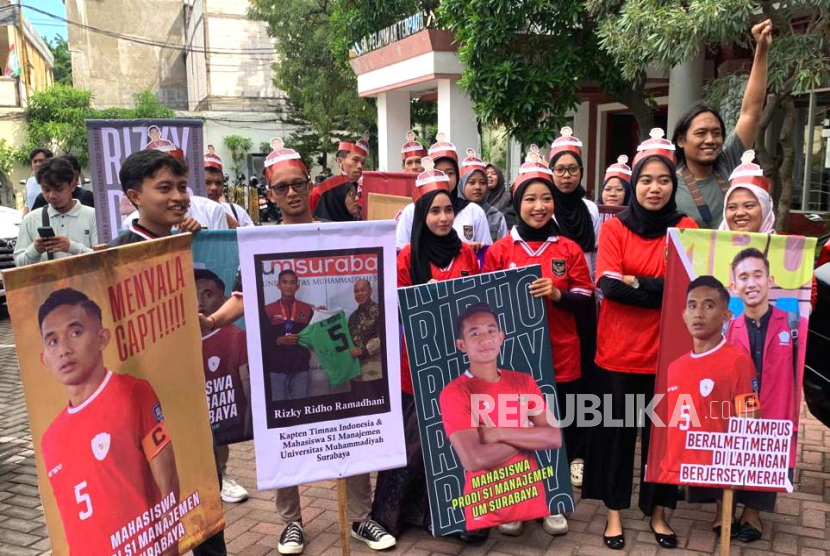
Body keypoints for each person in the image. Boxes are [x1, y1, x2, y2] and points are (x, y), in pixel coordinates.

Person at [199, 139, 396, 555]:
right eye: (281, 187)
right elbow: (242, 295)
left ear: (310, 185)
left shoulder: (340, 232)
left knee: (350, 430)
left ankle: (360, 518)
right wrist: (213, 321)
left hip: (336, 358)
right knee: (284, 436)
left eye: (298, 184)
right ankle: (291, 523)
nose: (291, 193)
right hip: (280, 363)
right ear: (269, 194)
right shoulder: (260, 244)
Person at [582, 128, 698, 551]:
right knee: (616, 437)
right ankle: (614, 513)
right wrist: (660, 287)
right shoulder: (614, 228)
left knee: (662, 440)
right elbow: (609, 288)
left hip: (668, 357)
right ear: (634, 185)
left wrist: (640, 281)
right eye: (646, 180)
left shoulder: (685, 228)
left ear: (673, 185)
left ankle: (659, 513)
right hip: (617, 354)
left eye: (663, 180)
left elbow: (688, 292)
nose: (654, 188)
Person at [105, 149, 224, 555]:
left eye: (182, 187)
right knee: (160, 503)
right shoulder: (118, 253)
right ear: (135, 196)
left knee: (206, 499)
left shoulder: (189, 241)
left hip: (190, 392)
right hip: (147, 403)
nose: (179, 197)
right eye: (165, 188)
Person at [483, 146, 594, 537]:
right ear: (517, 202)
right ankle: (514, 503)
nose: (539, 205)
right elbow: (483, 303)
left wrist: (558, 294)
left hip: (560, 356)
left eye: (546, 198)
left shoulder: (568, 249)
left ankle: (553, 500)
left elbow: (587, 296)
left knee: (552, 430)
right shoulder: (500, 250)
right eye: (530, 198)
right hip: (512, 360)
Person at [372, 159, 480, 541]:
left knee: (451, 444)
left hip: (457, 366)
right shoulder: (405, 259)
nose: (443, 217)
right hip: (415, 367)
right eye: (434, 210)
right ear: (421, 215)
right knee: (412, 449)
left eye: (449, 208)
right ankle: (389, 517)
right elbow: (399, 309)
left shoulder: (467, 254)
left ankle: (445, 516)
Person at [38, 288, 180, 555]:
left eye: (75, 333)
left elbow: (168, 481)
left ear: (102, 338)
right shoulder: (50, 439)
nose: (64, 350)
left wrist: (169, 548)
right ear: (44, 358)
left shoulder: (133, 393)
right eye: (53, 341)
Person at [440, 302, 562, 531]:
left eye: (491, 330)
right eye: (474, 333)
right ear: (461, 345)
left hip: (530, 491)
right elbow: (474, 459)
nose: (485, 339)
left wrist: (497, 432)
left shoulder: (523, 380)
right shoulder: (455, 392)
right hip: (488, 501)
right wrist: (528, 434)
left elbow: (553, 437)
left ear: (501, 337)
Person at [723, 247, 808, 542]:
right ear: (733, 285)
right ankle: (724, 508)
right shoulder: (726, 325)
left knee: (766, 449)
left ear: (769, 280)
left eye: (757, 275)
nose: (751, 283)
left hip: (776, 401)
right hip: (736, 403)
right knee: (731, 447)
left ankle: (752, 512)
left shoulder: (795, 324)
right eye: (743, 277)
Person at [653, 276, 756, 485]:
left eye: (709, 306)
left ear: (726, 315)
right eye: (692, 306)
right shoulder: (675, 367)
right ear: (684, 315)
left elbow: (750, 419)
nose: (698, 314)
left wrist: (738, 467)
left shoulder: (739, 362)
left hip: (717, 471)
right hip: (672, 469)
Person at [672, 20, 772, 228]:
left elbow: (751, 113)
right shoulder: (669, 183)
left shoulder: (729, 162)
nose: (710, 140)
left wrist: (761, 48)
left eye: (716, 133)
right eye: (701, 133)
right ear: (681, 139)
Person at [195, 269, 251, 504]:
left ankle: (221, 474)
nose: (198, 302)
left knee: (217, 424)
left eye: (207, 294)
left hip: (221, 411)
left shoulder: (234, 337)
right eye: (192, 295)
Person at [395, 134, 492, 251]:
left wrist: (469, 254)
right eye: (439, 172)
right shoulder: (412, 212)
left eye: (450, 173)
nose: (444, 178)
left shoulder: (474, 211)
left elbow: (485, 256)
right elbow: (400, 254)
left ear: (457, 176)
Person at [15, 157, 97, 266]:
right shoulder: (30, 219)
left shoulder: (93, 216)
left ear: (72, 185)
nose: (52, 196)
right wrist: (35, 249)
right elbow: (19, 264)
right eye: (46, 189)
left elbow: (104, 259)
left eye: (59, 189)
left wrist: (71, 247)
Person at [457, 149, 508, 241]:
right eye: (472, 182)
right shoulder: (452, 214)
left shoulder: (496, 217)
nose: (478, 187)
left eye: (483, 183)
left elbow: (504, 250)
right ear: (461, 185)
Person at [204, 147, 254, 227]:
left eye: (218, 183)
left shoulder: (236, 212)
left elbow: (251, 238)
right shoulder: (186, 215)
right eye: (207, 183)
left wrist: (224, 217)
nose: (214, 188)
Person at [348, 280, 382, 381]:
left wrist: (363, 351)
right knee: (358, 395)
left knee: (375, 396)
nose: (359, 294)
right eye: (356, 291)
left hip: (375, 364)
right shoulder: (353, 317)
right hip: (355, 367)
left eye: (363, 290)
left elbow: (385, 337)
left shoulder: (379, 311)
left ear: (370, 291)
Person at [23, 147, 53, 213]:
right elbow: (27, 205)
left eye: (41, 161)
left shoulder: (55, 181)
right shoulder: (30, 181)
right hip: (33, 221)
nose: (37, 164)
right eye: (35, 161)